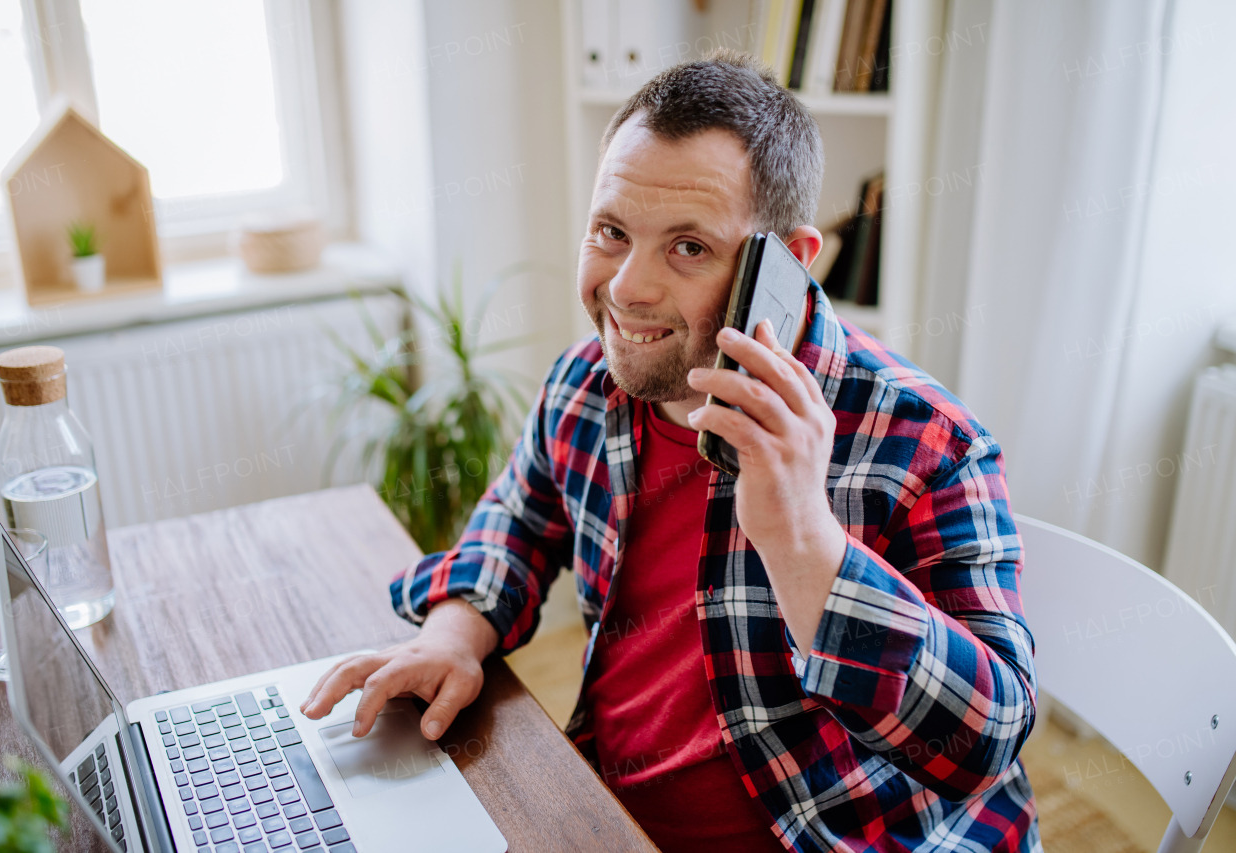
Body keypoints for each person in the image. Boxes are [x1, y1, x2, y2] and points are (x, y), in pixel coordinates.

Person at [302, 49, 1039, 852]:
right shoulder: (590, 383)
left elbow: (987, 736)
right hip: (606, 812)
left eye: (687, 247)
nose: (626, 288)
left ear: (786, 266)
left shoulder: (926, 439)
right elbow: (515, 522)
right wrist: (450, 635)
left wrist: (804, 541)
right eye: (612, 232)